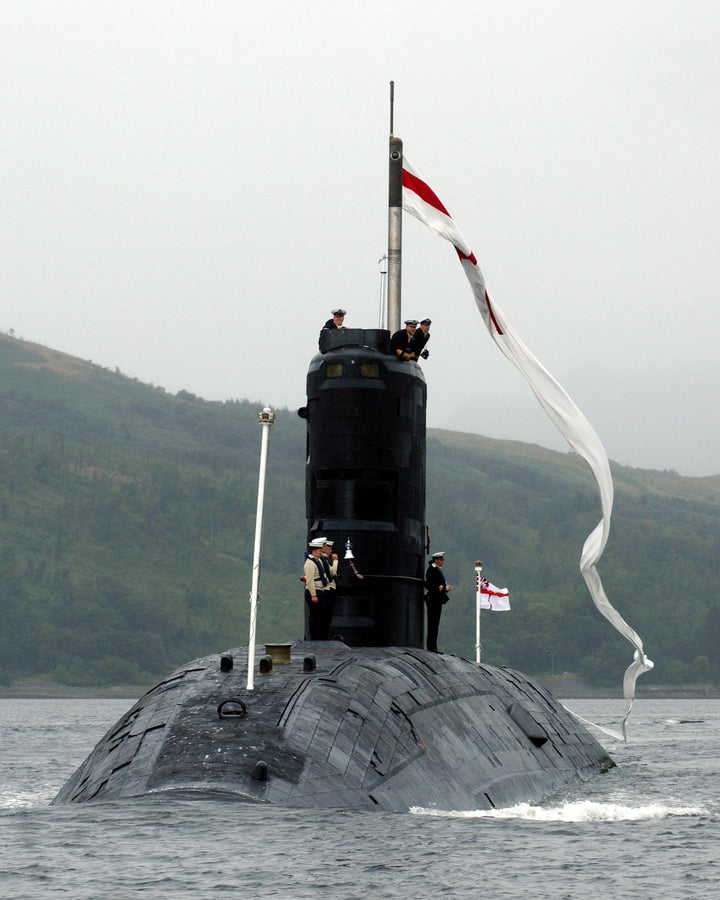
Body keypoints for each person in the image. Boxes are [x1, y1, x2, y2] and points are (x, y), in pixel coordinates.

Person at [303, 538, 330, 640]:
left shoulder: (318, 561)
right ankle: (314, 637)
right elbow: (309, 581)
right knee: (315, 616)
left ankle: (320, 636)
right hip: (313, 592)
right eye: (319, 550)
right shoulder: (310, 564)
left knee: (320, 615)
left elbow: (324, 556)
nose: (321, 552)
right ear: (314, 551)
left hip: (320, 591)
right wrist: (313, 595)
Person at [424, 551, 451, 652]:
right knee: (432, 624)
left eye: (443, 560)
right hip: (433, 600)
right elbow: (431, 585)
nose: (442, 561)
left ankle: (433, 646)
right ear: (436, 560)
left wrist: (444, 588)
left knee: (435, 624)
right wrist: (444, 588)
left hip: (437, 600)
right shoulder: (432, 570)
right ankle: (431, 647)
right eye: (441, 560)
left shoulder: (436, 569)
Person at [321, 540, 339, 637]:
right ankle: (323, 635)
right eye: (329, 549)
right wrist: (336, 560)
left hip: (328, 589)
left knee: (326, 614)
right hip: (327, 589)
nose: (331, 551)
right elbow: (332, 572)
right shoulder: (324, 560)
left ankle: (323, 634)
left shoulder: (325, 559)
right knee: (326, 614)